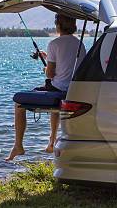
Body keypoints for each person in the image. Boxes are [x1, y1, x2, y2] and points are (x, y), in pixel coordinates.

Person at [5, 14, 86, 161]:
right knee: (53, 97)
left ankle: (18, 146)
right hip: (73, 91)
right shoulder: (80, 44)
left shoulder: (54, 43)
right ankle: (52, 141)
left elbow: (50, 74)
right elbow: (67, 64)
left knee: (18, 103)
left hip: (58, 90)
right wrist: (48, 57)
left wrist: (46, 68)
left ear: (58, 25)